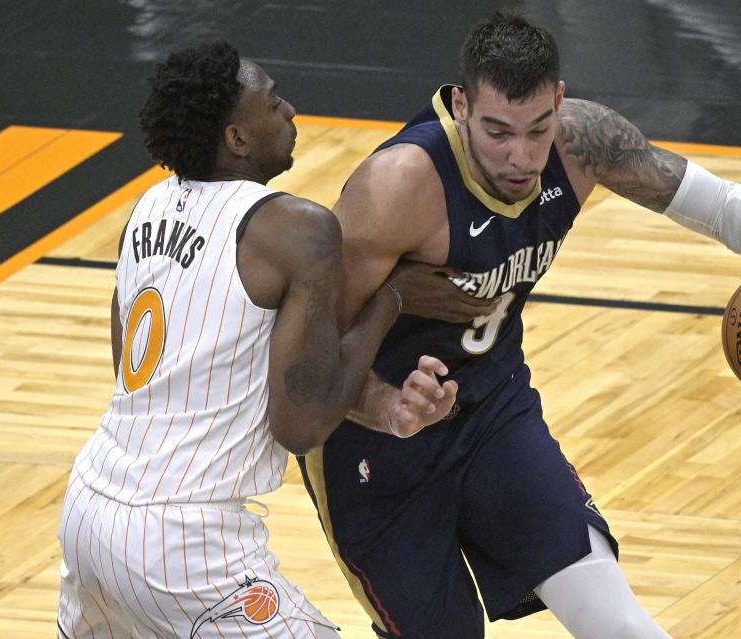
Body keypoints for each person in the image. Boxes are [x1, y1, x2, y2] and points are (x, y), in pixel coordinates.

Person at [296, 9, 741, 639]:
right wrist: (386, 406)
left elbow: (720, 205)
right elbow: (310, 360)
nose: (520, 157)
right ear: (460, 106)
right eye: (497, 132)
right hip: (372, 444)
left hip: (492, 410)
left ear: (560, 102)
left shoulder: (583, 141)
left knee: (620, 625)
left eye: (537, 129)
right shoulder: (398, 185)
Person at [56, 40, 490, 639]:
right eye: (272, 101)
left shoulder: (146, 208)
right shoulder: (298, 228)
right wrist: (393, 300)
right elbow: (301, 426)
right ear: (236, 138)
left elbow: (131, 367)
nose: (290, 110)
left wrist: (387, 405)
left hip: (90, 507)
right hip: (184, 541)